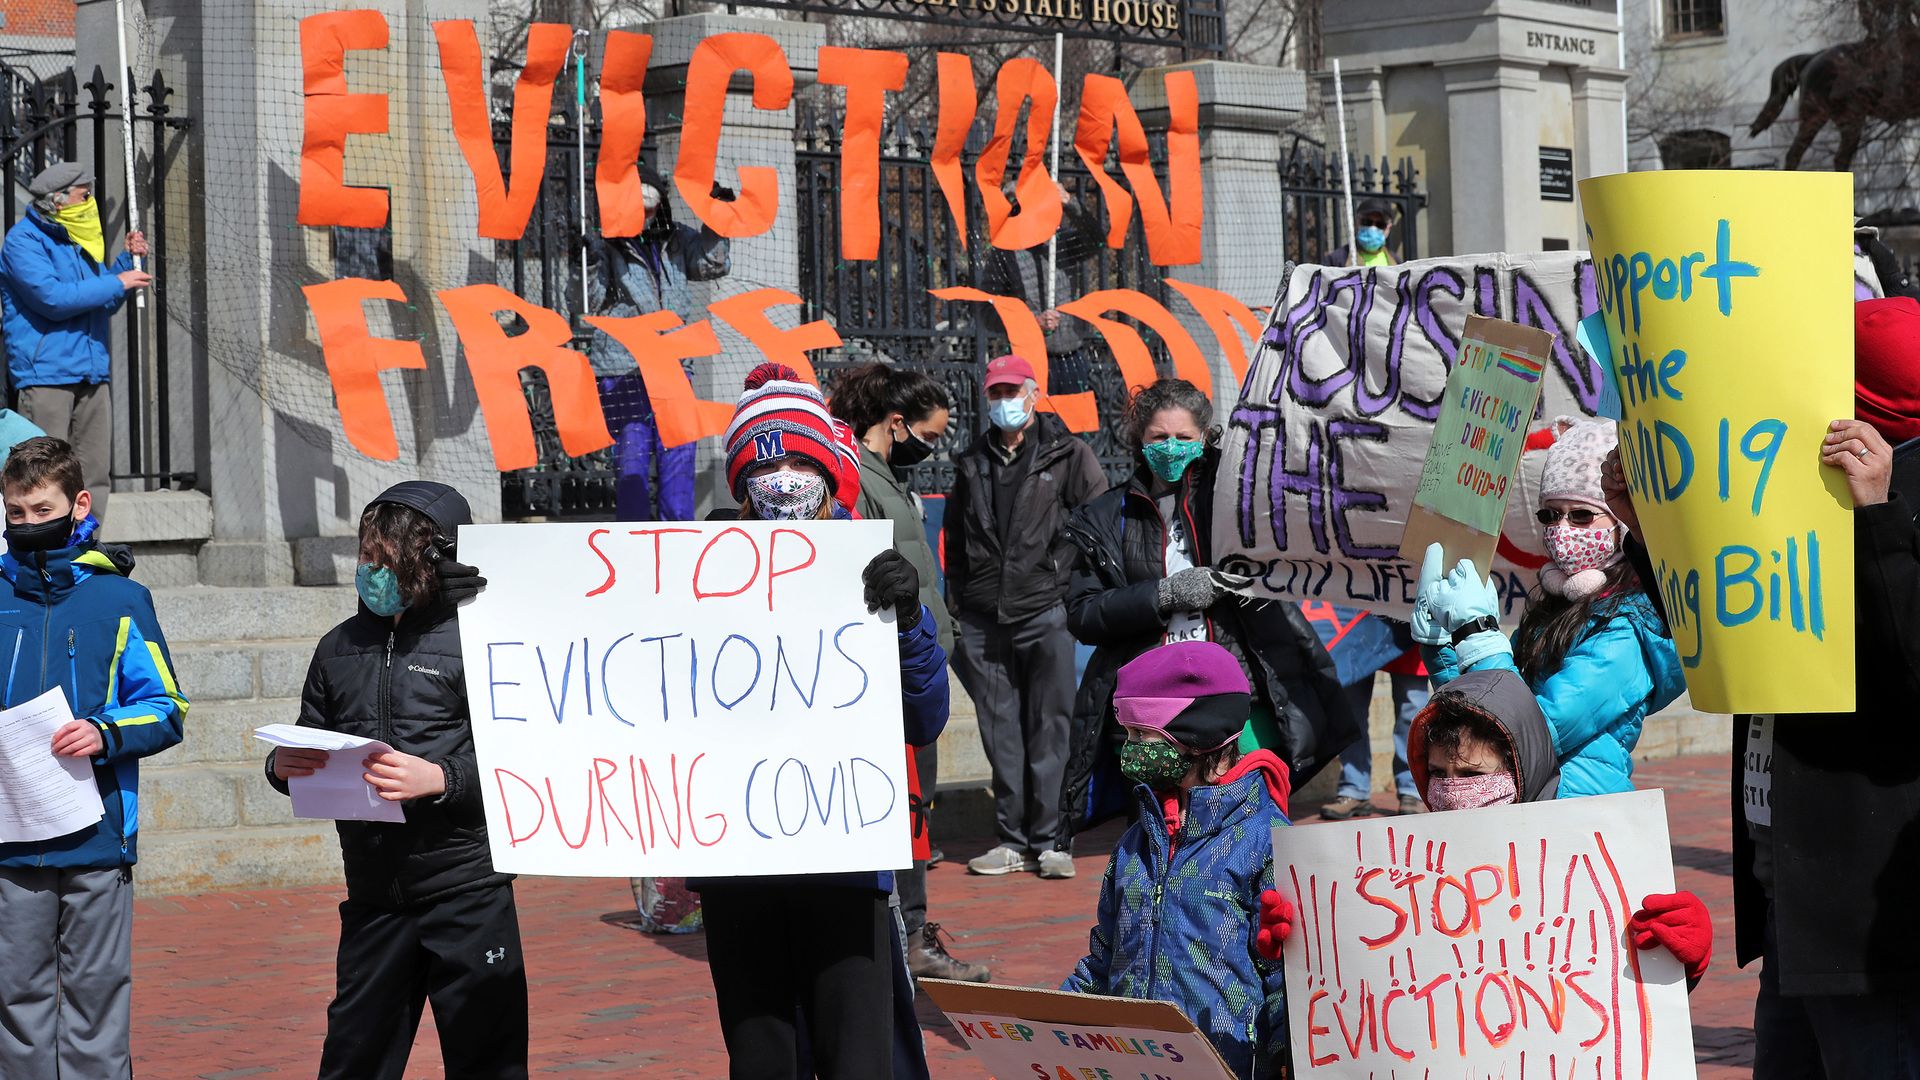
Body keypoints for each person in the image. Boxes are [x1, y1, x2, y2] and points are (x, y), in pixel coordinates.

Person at [1601, 297, 1920, 1077]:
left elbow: (1910, 662)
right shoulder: (1795, 501)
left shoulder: (1882, 500)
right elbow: (1717, 629)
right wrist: (1643, 526)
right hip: (1793, 894)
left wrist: (1877, 516)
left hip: (1870, 915)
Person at [696, 362, 952, 1079]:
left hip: (844, 863)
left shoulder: (870, 567)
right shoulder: (693, 571)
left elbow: (925, 717)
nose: (783, 480)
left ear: (827, 471)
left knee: (857, 1059)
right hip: (738, 869)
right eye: (764, 464)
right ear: (742, 480)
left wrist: (907, 623)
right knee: (761, 1062)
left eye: (798, 462)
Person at [264, 481, 526, 1080]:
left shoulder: (481, 639)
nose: (372, 572)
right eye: (366, 557)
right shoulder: (337, 648)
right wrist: (283, 766)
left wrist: (442, 777)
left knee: (490, 1060)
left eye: (389, 561)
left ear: (434, 559)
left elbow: (524, 759)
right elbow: (311, 738)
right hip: (375, 898)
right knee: (353, 1060)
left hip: (467, 891)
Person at [1060, 378, 1357, 851]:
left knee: (1256, 835)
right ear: (1139, 439)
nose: (1172, 448)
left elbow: (1298, 539)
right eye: (1159, 437)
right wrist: (1162, 595)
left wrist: (1246, 578)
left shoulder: (1242, 496)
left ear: (1207, 437)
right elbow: (1083, 613)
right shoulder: (1102, 517)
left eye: (1184, 437)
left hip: (1241, 694)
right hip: (1152, 708)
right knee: (1167, 840)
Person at [0, 435, 186, 1078]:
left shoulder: (121, 600)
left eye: (40, 510)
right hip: (10, 840)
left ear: (79, 505)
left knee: (96, 1002)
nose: (26, 526)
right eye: (14, 513)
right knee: (14, 1003)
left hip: (99, 833)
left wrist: (106, 732)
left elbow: (167, 707)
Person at [1411, 417, 1685, 797]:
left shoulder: (1629, 626)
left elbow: (1528, 732)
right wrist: (1443, 643)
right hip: (1539, 805)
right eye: (1550, 514)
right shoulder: (1554, 609)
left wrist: (1478, 636)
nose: (1562, 528)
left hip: (1579, 813)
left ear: (1622, 524)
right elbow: (1476, 730)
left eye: (1582, 514)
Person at [1060, 641, 1292, 1078]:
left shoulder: (1268, 840)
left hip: (1229, 1065)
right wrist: (1047, 1031)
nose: (1130, 750)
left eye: (1142, 735)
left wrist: (1286, 1061)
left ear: (1196, 734)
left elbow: (1285, 976)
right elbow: (1104, 957)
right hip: (1136, 1063)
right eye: (1126, 735)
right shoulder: (1134, 843)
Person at [827, 363, 989, 984]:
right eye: (930, 432)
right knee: (903, 812)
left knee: (915, 813)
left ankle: (911, 934)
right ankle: (903, 937)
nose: (934, 446)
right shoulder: (855, 477)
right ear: (896, 423)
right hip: (888, 674)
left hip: (916, 668)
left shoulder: (886, 478)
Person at [1407, 669, 1712, 987]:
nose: (1453, 790)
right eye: (1438, 772)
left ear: (1520, 769)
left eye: (1473, 775)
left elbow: (1625, 996)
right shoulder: (1404, 874)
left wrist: (1685, 963)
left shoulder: (1583, 859)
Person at [947, 354, 1108, 879]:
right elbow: (955, 539)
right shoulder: (970, 461)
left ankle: (1052, 839)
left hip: (1046, 610)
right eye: (995, 394)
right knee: (1001, 732)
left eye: (1012, 392)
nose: (1003, 403)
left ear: (1034, 395)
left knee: (1051, 727)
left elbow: (1098, 523)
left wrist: (1064, 581)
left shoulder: (1069, 453)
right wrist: (959, 603)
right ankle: (1012, 841)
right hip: (982, 617)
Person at [0, 163, 152, 524]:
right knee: (40, 477)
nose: (90, 202)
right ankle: (41, 555)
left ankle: (86, 553)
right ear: (58, 200)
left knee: (94, 474)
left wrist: (124, 263)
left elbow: (102, 298)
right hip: (46, 375)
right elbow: (53, 299)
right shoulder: (22, 242)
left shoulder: (78, 239)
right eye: (84, 195)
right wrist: (119, 282)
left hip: (91, 372)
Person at [587, 164, 733, 523]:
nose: (645, 216)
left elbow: (713, 264)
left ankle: (678, 543)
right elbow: (589, 300)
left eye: (651, 208)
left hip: (672, 367)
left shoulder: (676, 240)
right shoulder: (605, 245)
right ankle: (634, 549)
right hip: (624, 370)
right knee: (632, 463)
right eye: (638, 208)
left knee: (679, 460)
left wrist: (717, 217)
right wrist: (587, 261)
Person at [978, 181, 1105, 394]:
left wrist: (1070, 202)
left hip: (1070, 356)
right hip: (1027, 359)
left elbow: (1098, 241)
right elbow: (988, 313)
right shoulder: (1003, 254)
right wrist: (1032, 322)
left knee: (1074, 424)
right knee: (1034, 424)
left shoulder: (1060, 242)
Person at [1313, 612, 1430, 820]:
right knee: (1350, 709)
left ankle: (1413, 791)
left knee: (1411, 711)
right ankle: (1353, 787)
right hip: (1355, 618)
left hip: (1406, 617)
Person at [1323, 196, 1398, 268]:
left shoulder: (1397, 263)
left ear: (1388, 228)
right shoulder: (1336, 260)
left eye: (1380, 225)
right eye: (1367, 222)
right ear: (1356, 223)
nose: (1373, 228)